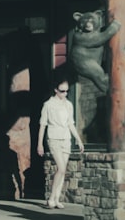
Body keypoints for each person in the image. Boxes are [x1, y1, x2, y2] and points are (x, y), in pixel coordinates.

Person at [36, 79, 84, 209]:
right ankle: (51, 198)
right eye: (62, 91)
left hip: (66, 139)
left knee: (62, 171)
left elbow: (70, 124)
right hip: (53, 139)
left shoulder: (68, 104)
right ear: (56, 90)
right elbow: (42, 125)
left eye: (67, 91)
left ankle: (56, 199)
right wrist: (39, 144)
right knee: (61, 168)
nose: (65, 94)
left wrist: (78, 140)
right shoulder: (48, 105)